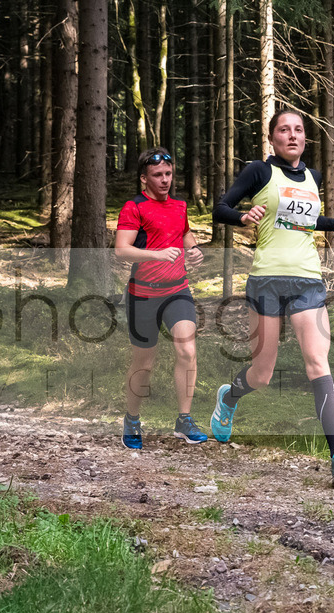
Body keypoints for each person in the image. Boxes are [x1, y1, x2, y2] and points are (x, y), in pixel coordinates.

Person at [209, 109, 334, 487]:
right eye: (284, 130)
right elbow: (219, 208)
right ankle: (229, 397)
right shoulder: (258, 171)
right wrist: (242, 217)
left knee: (318, 362)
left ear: (305, 138)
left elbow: (307, 220)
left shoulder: (312, 177)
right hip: (266, 280)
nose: (292, 136)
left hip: (307, 280)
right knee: (262, 373)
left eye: (298, 130)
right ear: (272, 138)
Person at [115, 147, 208, 449]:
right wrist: (157, 254)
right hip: (142, 295)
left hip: (177, 290)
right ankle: (132, 418)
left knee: (187, 350)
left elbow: (184, 233)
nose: (165, 180)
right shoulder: (134, 207)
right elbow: (122, 249)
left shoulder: (179, 206)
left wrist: (192, 251)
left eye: (168, 174)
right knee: (144, 363)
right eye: (158, 175)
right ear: (144, 178)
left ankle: (184, 419)